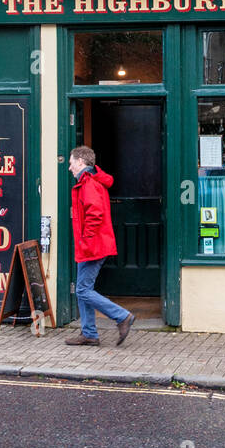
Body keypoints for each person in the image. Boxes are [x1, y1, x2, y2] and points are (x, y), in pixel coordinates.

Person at [65, 145, 134, 347]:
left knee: (83, 290)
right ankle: (89, 333)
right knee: (83, 288)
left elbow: (95, 214)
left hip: (92, 246)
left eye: (71, 164)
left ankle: (122, 316)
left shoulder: (88, 184)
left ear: (80, 162)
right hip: (92, 244)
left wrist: (86, 240)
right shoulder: (91, 181)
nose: (69, 168)